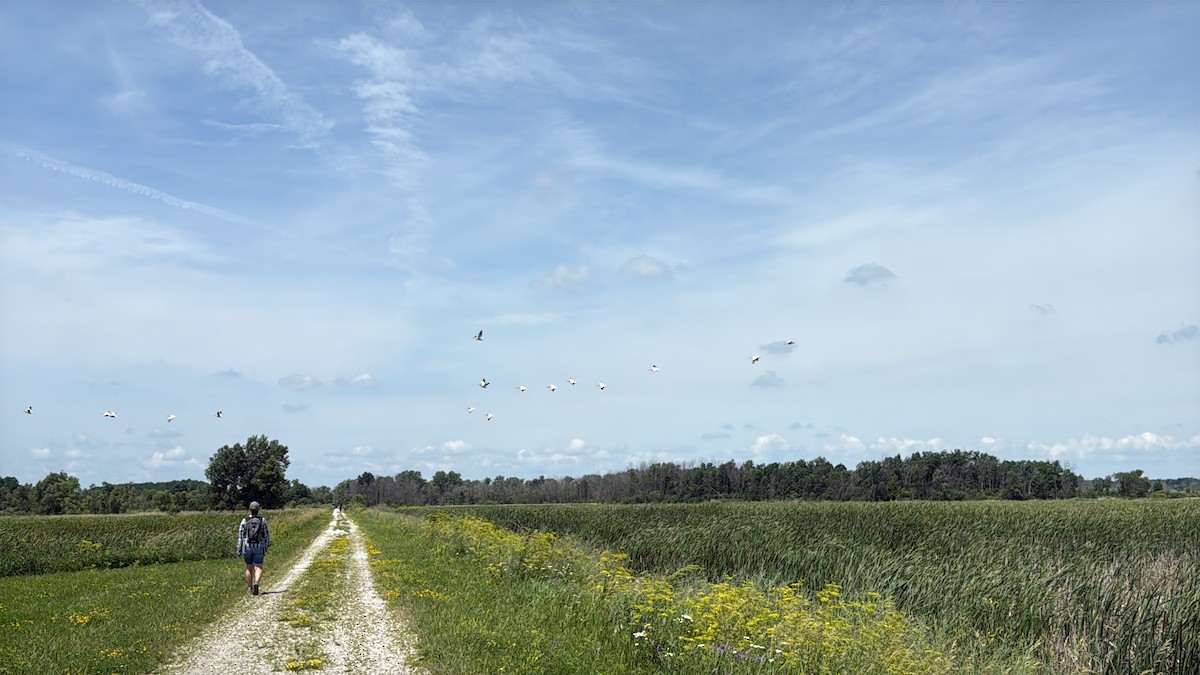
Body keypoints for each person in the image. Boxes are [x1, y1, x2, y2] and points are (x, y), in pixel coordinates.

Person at [237, 501, 270, 595]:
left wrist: (239, 549)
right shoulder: (262, 520)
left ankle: (250, 588)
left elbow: (240, 536)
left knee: (249, 567)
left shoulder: (245, 520)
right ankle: (256, 583)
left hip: (247, 547)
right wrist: (266, 546)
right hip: (259, 546)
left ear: (250, 510)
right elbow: (266, 535)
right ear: (258, 510)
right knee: (258, 566)